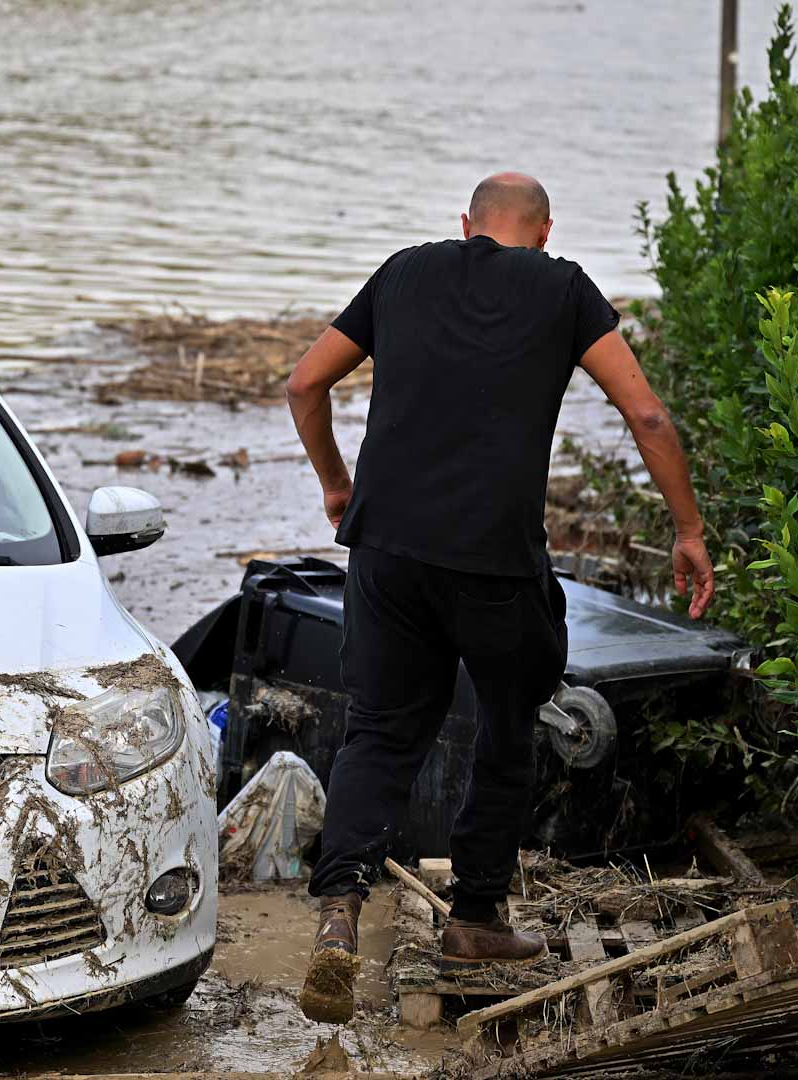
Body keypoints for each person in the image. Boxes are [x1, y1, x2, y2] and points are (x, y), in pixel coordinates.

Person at [284, 172, 716, 1024]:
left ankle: (338, 915)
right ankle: (475, 919)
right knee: (510, 724)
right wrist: (689, 530)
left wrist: (338, 486)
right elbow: (650, 418)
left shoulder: (405, 270)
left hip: (388, 551)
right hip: (494, 562)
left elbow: (304, 384)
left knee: (378, 732)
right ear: (545, 232)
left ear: (466, 225)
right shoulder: (562, 288)